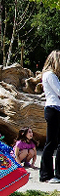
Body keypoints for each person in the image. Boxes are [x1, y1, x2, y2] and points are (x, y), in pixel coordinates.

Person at [39, 50, 60, 183]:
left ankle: (57, 173)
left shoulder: (54, 76)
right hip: (53, 109)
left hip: (56, 109)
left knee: (56, 143)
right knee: (51, 142)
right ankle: (46, 174)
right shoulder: (50, 75)